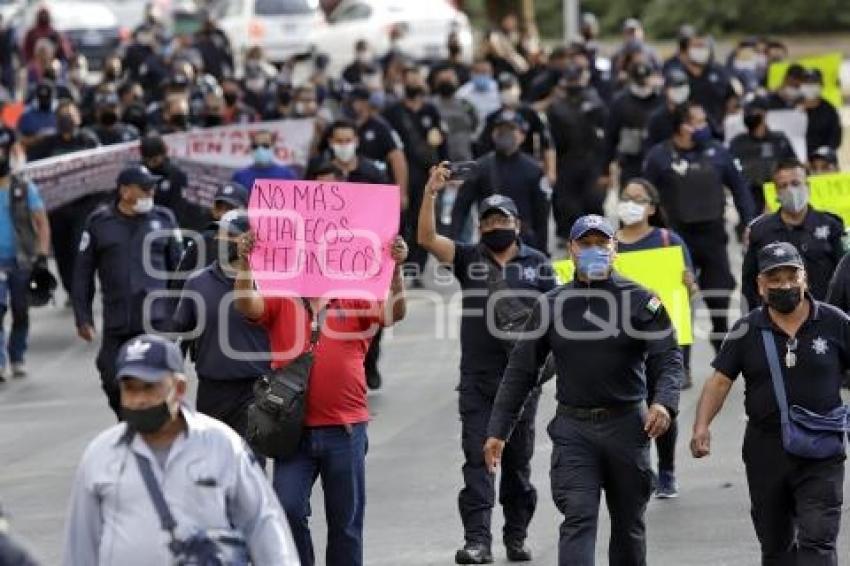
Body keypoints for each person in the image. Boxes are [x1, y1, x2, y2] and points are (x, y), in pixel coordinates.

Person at [484, 214, 682, 566]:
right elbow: (521, 370)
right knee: (578, 519)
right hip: (574, 431)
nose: (594, 250)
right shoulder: (552, 305)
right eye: (585, 244)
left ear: (614, 249)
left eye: (601, 243)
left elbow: (667, 358)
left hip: (627, 427)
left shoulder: (641, 301)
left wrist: (663, 403)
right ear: (571, 250)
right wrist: (499, 429)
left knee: (629, 526)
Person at [233, 230, 408, 566]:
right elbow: (246, 303)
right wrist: (245, 263)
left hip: (345, 429)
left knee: (346, 522)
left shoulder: (354, 296)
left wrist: (397, 272)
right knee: (288, 508)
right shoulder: (281, 297)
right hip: (292, 432)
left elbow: (392, 314)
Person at [418, 164, 556, 564]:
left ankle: (516, 537)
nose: (496, 224)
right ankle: (478, 541)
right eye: (489, 219)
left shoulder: (539, 264)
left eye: (503, 218)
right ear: (479, 228)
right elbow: (426, 238)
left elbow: (560, 316)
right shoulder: (467, 258)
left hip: (522, 384)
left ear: (518, 223)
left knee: (517, 465)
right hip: (478, 382)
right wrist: (430, 192)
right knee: (478, 461)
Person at [61, 333, 299, 565]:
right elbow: (80, 546)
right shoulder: (101, 455)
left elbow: (263, 525)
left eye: (149, 387)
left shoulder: (222, 446)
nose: (139, 399)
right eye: (130, 389)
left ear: (179, 388)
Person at [691, 242, 847, 566]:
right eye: (775, 279)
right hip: (766, 449)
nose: (785, 285)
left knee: (818, 540)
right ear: (761, 286)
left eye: (792, 276)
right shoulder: (746, 329)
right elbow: (719, 381)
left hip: (822, 447)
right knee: (775, 545)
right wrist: (701, 427)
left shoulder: (835, 323)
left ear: (805, 278)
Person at [643, 102, 756, 352]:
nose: (705, 127)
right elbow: (643, 194)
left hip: (713, 235)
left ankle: (723, 350)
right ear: (682, 127)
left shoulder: (718, 152)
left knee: (719, 294)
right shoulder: (659, 156)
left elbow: (740, 189)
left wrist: (749, 222)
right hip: (676, 238)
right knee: (679, 300)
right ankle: (681, 362)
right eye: (699, 122)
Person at [73, 165, 182, 418]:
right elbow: (82, 274)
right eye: (144, 188)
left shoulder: (165, 219)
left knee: (160, 381)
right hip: (118, 320)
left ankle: (158, 426)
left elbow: (180, 272)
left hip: (157, 321)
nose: (150, 192)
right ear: (124, 191)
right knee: (111, 375)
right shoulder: (99, 223)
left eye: (152, 187)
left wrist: (181, 316)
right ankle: (129, 420)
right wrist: (83, 317)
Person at [615, 178, 697, 497]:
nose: (630, 204)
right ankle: (634, 471)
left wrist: (688, 284)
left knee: (660, 401)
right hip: (618, 341)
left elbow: (688, 290)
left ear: (652, 207)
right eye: (625, 198)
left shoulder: (667, 240)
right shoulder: (608, 245)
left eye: (638, 199)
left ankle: (666, 469)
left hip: (660, 339)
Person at [172, 211, 271, 448]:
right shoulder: (197, 282)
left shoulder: (269, 282)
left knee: (249, 461)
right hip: (212, 389)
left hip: (256, 390)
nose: (220, 239)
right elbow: (181, 333)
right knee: (211, 461)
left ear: (251, 239)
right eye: (219, 234)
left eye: (230, 235)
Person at [742, 159, 844, 309]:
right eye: (783, 186)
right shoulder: (760, 230)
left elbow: (844, 276)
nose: (790, 190)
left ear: (807, 187)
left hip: (825, 316)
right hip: (777, 319)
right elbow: (749, 283)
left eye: (796, 183)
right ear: (776, 191)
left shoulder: (831, 225)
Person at [450, 110, 550, 254]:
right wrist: (454, 244)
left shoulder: (533, 170)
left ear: (522, 135)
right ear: (493, 134)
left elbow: (542, 216)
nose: (505, 134)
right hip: (489, 243)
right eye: (501, 130)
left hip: (525, 246)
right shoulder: (481, 167)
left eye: (511, 129)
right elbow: (461, 207)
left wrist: (543, 252)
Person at [383, 66, 447, 284]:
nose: (414, 84)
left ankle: (416, 270)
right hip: (400, 176)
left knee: (423, 222)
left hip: (425, 175)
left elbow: (441, 143)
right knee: (400, 223)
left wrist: (444, 170)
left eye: (417, 79)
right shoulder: (393, 112)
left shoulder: (431, 110)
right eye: (409, 80)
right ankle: (396, 267)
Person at [30, 100, 100, 297]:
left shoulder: (88, 140)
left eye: (70, 114)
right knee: (62, 252)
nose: (67, 119)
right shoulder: (47, 144)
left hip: (83, 207)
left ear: (78, 117)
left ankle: (84, 290)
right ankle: (70, 288)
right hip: (58, 210)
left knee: (79, 250)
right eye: (62, 115)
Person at [0, 131, 51, 380]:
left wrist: (42, 255)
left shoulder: (23, 188)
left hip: (21, 260)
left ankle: (17, 354)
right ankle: (0, 362)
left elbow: (41, 222)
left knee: (21, 310)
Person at [547, 62, 608, 244]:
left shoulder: (595, 103)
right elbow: (552, 141)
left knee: (593, 203)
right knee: (568, 207)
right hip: (566, 161)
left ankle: (597, 238)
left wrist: (606, 168)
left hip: (591, 161)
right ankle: (571, 238)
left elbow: (605, 137)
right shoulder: (557, 107)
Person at [477, 73, 556, 187]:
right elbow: (484, 146)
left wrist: (551, 171)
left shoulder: (531, 114)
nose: (506, 92)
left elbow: (547, 143)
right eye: (503, 89)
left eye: (509, 87)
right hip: (499, 167)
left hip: (528, 164)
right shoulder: (492, 117)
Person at [729, 96, 796, 212]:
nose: (748, 114)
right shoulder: (737, 143)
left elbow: (793, 165)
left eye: (752, 111)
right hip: (749, 198)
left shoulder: (779, 140)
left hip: (778, 195)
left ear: (764, 113)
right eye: (746, 111)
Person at [346, 87, 408, 207]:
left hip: (376, 184)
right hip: (351, 186)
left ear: (364, 103)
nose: (348, 105)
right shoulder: (346, 126)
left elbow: (397, 158)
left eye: (352, 101)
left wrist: (402, 193)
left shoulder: (381, 127)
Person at [174, 180, 248, 280]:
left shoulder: (253, 247)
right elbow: (179, 282)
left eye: (231, 209)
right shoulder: (203, 241)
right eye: (219, 207)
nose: (223, 213)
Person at [664, 30, 735, 133]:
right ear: (685, 51)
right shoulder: (677, 76)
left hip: (718, 132)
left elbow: (731, 97)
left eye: (703, 47)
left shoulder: (719, 71)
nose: (700, 50)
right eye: (696, 46)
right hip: (688, 134)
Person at [604, 61, 663, 185]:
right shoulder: (620, 102)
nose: (642, 85)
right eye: (639, 81)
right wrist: (605, 168)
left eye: (645, 79)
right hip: (630, 159)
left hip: (657, 158)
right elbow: (610, 136)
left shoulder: (661, 100)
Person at [307, 119, 390, 185]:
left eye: (348, 141)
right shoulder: (318, 169)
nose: (344, 145)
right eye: (339, 141)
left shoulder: (372, 172)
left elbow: (385, 200)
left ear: (356, 141)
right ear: (331, 142)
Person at [139, 135, 196, 230]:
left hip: (165, 223)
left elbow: (178, 206)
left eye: (154, 159)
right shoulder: (139, 171)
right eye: (147, 159)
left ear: (163, 154)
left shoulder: (176, 175)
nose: (150, 163)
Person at [231, 129, 297, 192]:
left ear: (273, 147)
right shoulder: (239, 176)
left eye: (265, 145)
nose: (260, 149)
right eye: (255, 146)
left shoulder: (287, 175)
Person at [646, 69, 691, 149]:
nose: (680, 90)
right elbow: (650, 146)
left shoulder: (694, 113)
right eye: (675, 86)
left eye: (682, 86)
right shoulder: (657, 118)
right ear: (666, 90)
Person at [801, 69, 842, 153]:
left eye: (814, 83)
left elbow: (835, 140)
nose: (810, 86)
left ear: (821, 85)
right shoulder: (792, 108)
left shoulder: (830, 111)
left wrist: (821, 156)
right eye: (807, 83)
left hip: (821, 161)